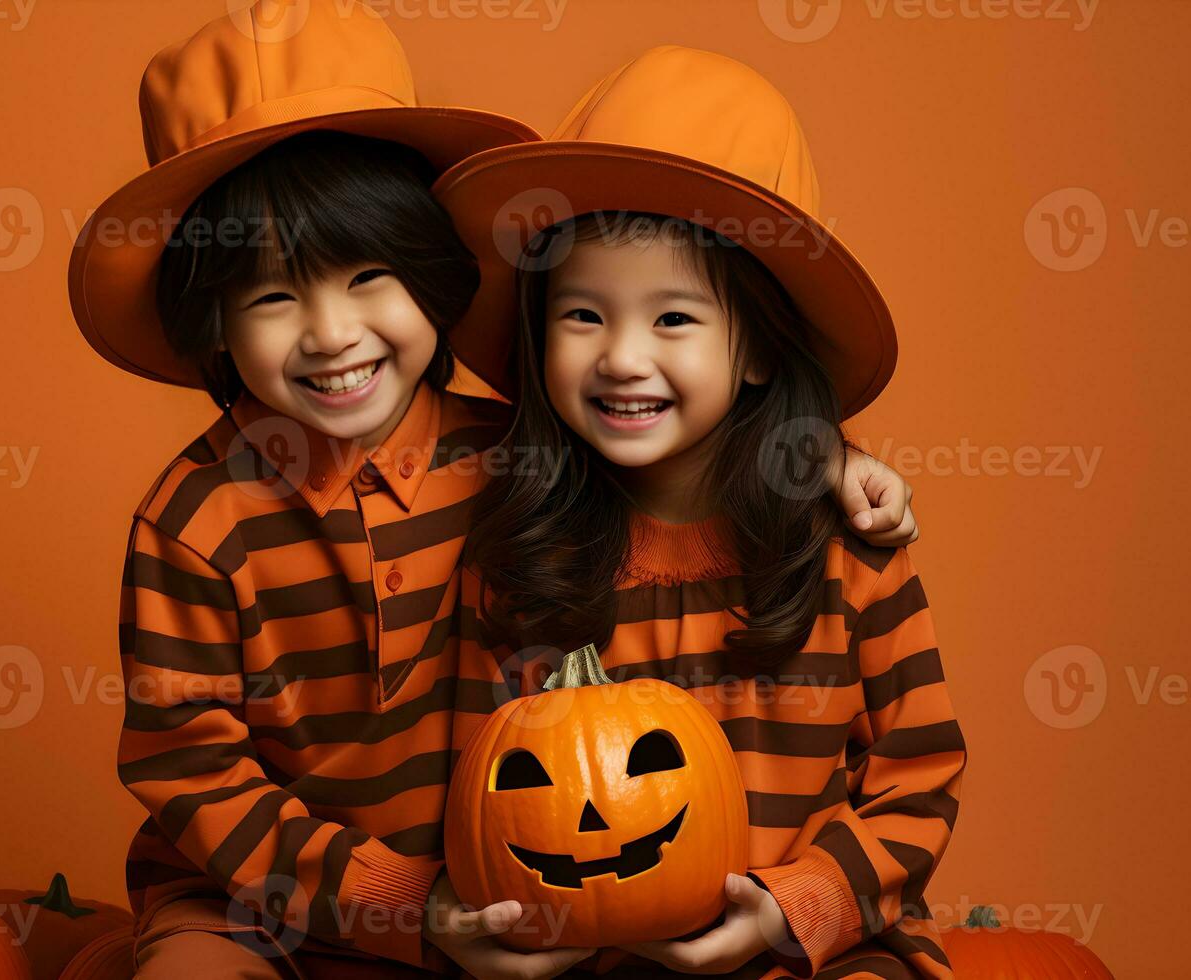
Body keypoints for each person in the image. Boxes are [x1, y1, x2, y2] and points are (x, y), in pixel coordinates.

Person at [70, 5, 925, 977]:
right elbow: (190, 765)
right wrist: (403, 904)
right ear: (210, 320)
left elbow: (683, 437)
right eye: (272, 295)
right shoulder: (192, 521)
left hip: (483, 907)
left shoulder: (522, 458)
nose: (331, 334)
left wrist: (822, 458)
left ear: (438, 276)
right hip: (253, 902)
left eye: (370, 277)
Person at [440, 47, 966, 979]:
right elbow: (489, 793)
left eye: (674, 320)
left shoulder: (848, 543)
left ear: (758, 348)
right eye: (583, 316)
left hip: (816, 954)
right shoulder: (512, 544)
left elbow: (918, 774)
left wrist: (788, 910)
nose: (623, 359)